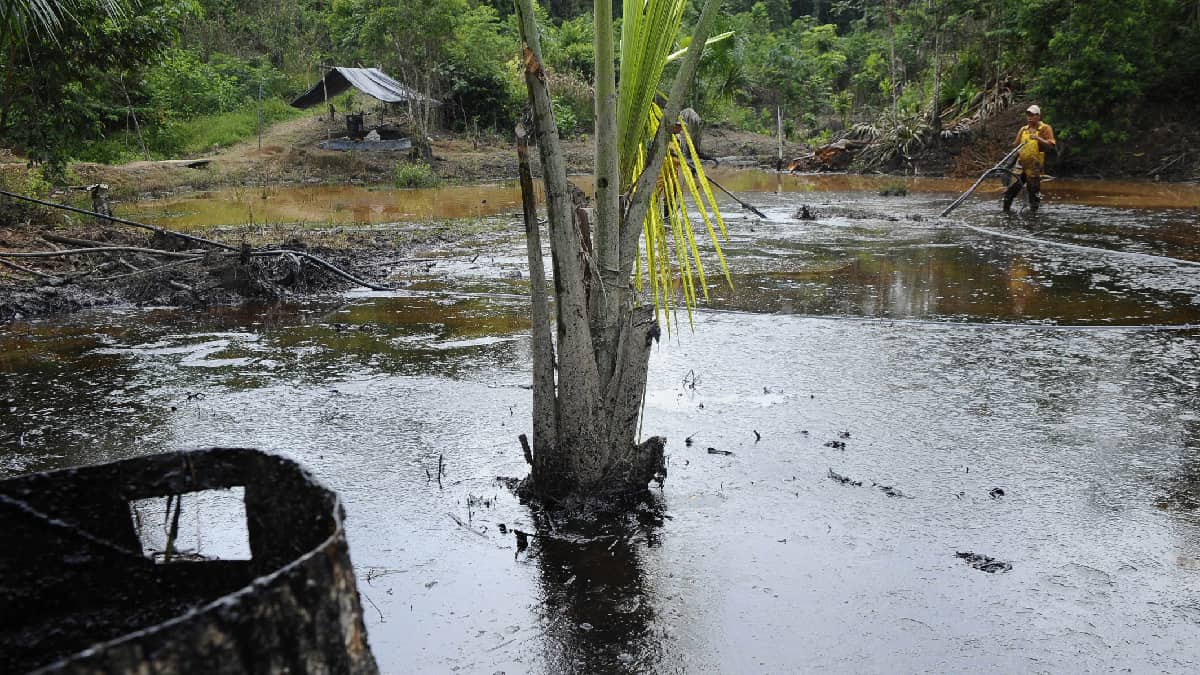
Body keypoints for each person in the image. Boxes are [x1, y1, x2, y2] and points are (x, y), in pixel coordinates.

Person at [1003, 104, 1056, 212]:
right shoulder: (1023, 129)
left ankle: (1033, 216)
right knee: (1011, 191)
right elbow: (1016, 146)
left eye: (1032, 115)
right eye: (1028, 115)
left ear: (1038, 116)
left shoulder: (1045, 128)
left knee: (1033, 193)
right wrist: (1009, 164)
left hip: (1034, 166)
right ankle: (1006, 211)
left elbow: (1051, 145)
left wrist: (1038, 138)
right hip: (1021, 164)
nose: (1029, 117)